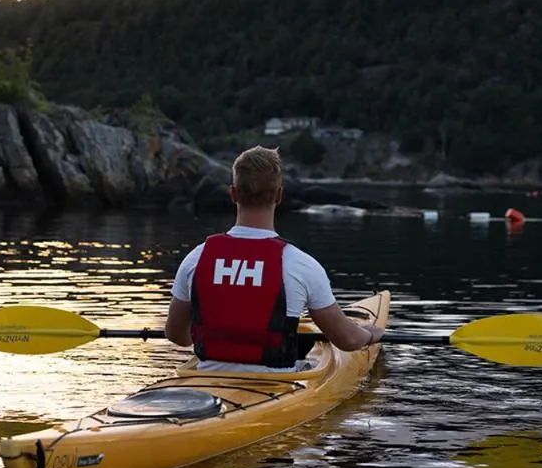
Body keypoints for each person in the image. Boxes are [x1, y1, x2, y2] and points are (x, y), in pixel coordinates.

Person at [164, 145, 383, 372]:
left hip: (208, 381)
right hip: (277, 385)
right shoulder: (301, 265)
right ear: (279, 196)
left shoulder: (196, 258)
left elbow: (176, 335)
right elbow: (347, 339)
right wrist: (371, 334)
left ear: (233, 194)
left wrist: (212, 335)